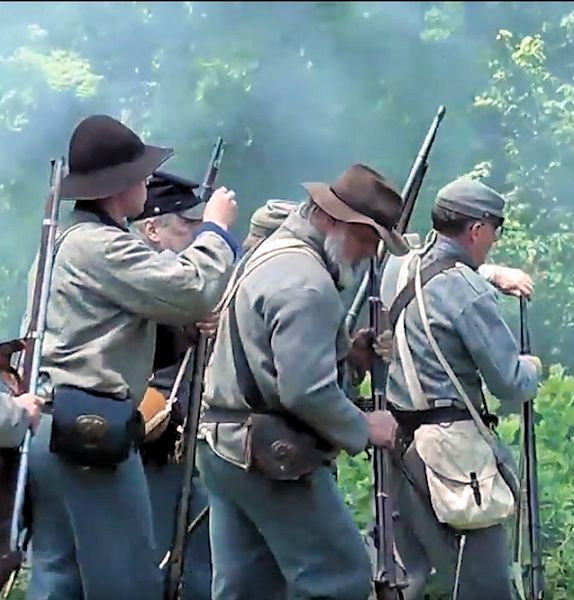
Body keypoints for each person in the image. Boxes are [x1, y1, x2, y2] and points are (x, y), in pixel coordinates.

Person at [23, 114, 240, 600]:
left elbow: (102, 331)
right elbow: (194, 288)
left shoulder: (66, 242)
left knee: (59, 581)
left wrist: (179, 333)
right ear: (121, 185)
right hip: (90, 431)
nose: (147, 183)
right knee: (126, 583)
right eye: (141, 175)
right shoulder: (101, 247)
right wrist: (216, 232)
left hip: (52, 426)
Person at [197, 163, 406, 600]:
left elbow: (271, 356)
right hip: (269, 453)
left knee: (247, 589)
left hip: (227, 444)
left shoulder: (277, 251)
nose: (369, 253)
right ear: (333, 220)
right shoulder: (307, 284)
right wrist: (365, 426)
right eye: (368, 238)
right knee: (340, 579)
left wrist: (348, 354)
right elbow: (303, 391)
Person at [383, 177, 542, 599]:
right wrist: (531, 368)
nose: (494, 239)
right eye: (494, 229)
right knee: (487, 584)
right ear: (476, 230)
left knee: (400, 580)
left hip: (402, 445)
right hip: (454, 458)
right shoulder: (467, 290)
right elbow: (509, 383)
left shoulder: (400, 269)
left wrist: (491, 273)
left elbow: (437, 268)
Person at [130, 171, 214, 600]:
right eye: (186, 226)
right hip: (150, 434)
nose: (196, 236)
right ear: (152, 230)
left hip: (164, 433)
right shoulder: (145, 272)